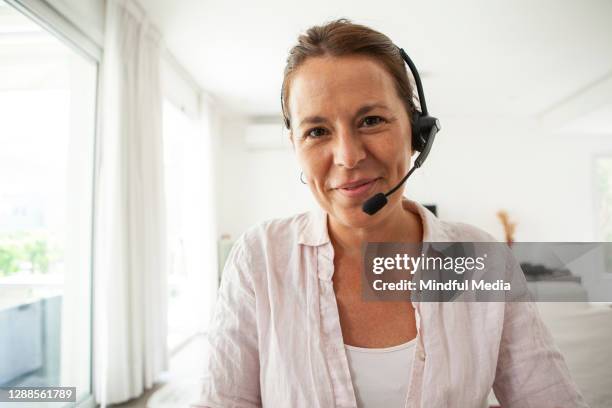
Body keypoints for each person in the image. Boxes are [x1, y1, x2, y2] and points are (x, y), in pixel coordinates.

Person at [193, 19, 587, 408]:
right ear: (295, 144)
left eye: (371, 120)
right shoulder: (259, 257)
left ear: (417, 132)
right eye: (317, 131)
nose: (348, 156)